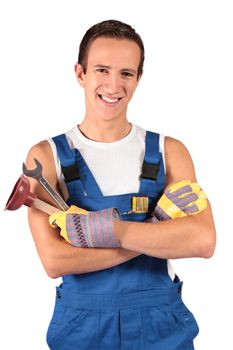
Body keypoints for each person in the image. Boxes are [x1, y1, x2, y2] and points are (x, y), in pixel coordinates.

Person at [26, 19, 216, 350]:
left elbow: (201, 241)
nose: (114, 86)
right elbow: (55, 261)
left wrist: (108, 231)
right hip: (80, 327)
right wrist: (156, 235)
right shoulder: (46, 157)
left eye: (126, 73)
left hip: (161, 325)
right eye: (102, 70)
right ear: (80, 74)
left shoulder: (170, 152)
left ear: (138, 79)